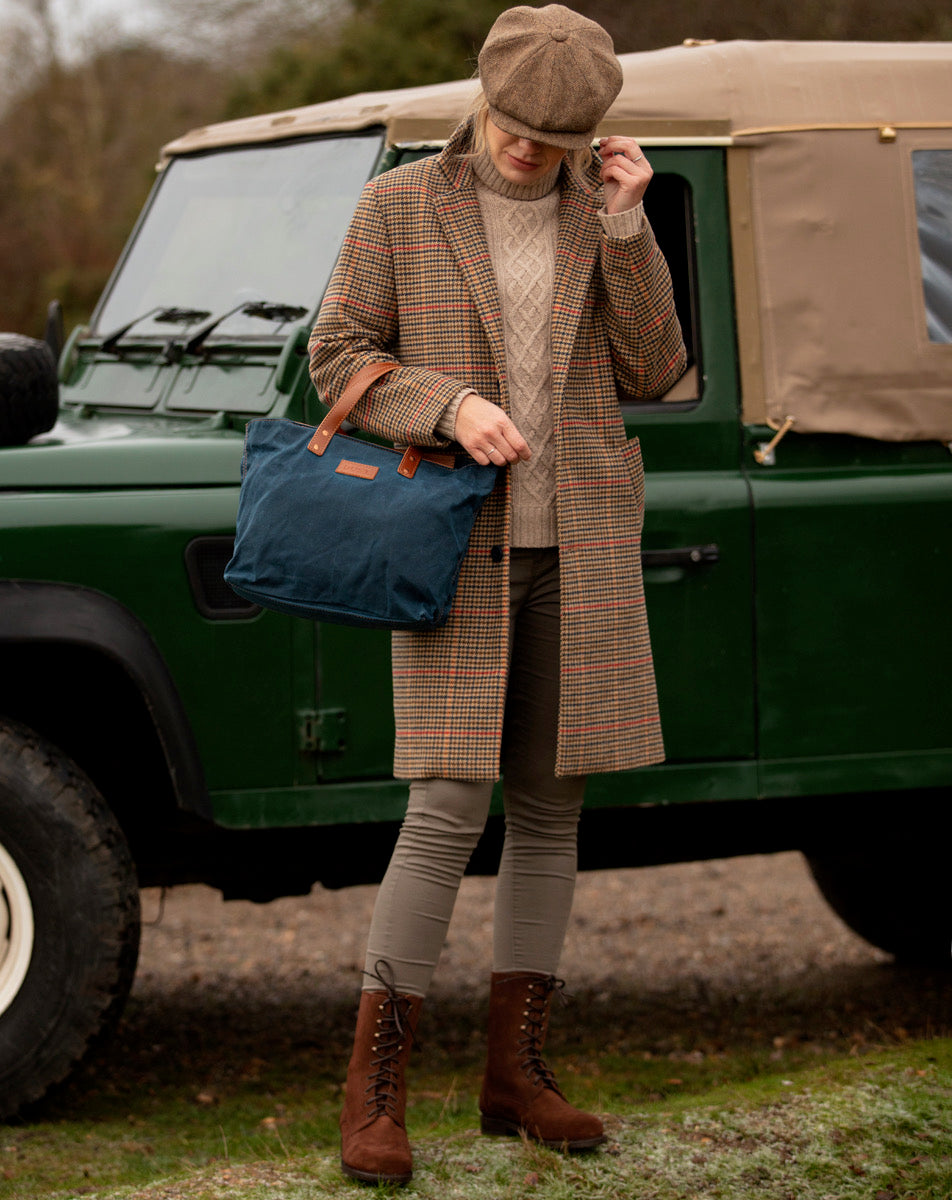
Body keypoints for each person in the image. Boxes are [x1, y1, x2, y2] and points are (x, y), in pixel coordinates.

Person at [309, 3, 686, 1185]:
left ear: (591, 135)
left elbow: (657, 371)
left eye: (555, 138)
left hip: (581, 540)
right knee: (444, 808)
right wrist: (448, 407)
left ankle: (515, 1079)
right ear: (485, 97)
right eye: (517, 126)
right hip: (450, 544)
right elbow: (339, 360)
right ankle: (373, 1097)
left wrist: (629, 230)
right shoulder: (399, 205)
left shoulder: (600, 210)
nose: (529, 150)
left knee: (552, 810)